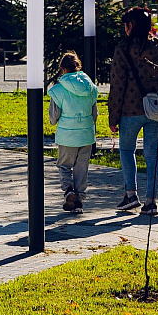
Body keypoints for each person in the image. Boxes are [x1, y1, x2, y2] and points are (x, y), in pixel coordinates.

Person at [107, 7, 158, 216]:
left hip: (130, 110)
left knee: (127, 150)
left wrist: (113, 116)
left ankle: (130, 194)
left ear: (131, 25)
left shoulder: (123, 48)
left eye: (126, 24)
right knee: (152, 154)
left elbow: (117, 84)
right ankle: (151, 202)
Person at [47, 50, 98, 214]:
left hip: (67, 135)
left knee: (64, 165)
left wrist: (54, 122)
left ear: (62, 69)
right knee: (82, 168)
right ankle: (79, 202)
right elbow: (94, 113)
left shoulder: (58, 90)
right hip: (86, 134)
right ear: (78, 67)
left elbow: (54, 116)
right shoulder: (90, 88)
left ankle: (68, 190)